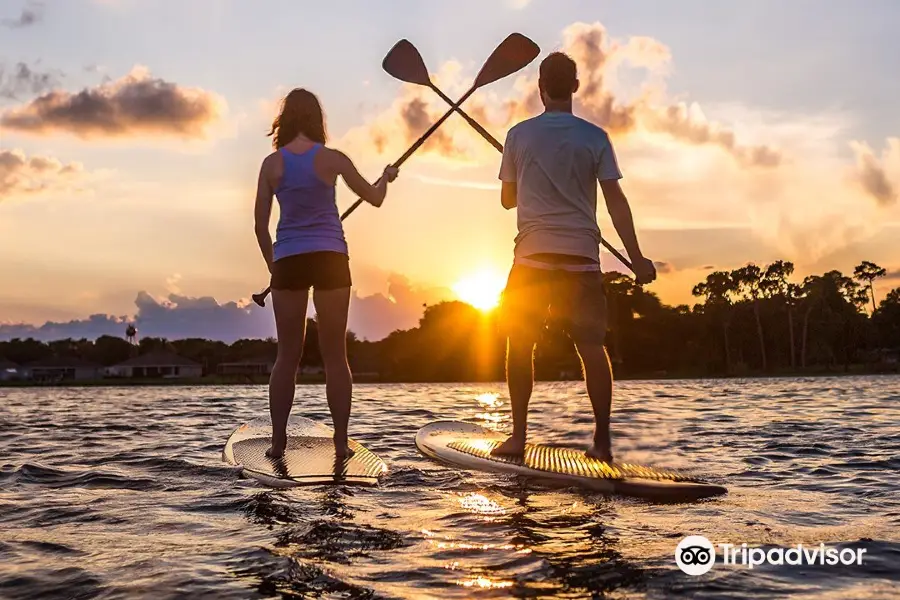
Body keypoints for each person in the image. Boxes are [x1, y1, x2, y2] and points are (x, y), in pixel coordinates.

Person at [494, 52, 657, 463]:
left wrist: (523, 174)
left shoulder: (518, 136)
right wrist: (637, 259)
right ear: (576, 87)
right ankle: (602, 442)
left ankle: (517, 437)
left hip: (532, 259)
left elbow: (506, 201)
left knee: (520, 343)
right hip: (582, 258)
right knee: (591, 346)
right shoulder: (595, 137)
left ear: (540, 87)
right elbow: (616, 201)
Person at [253, 88, 398, 460]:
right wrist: (385, 177)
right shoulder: (333, 159)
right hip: (331, 256)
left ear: (284, 121)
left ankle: (278, 442)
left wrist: (276, 266)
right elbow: (376, 197)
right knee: (336, 356)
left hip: (289, 259)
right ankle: (340, 443)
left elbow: (259, 227)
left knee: (288, 356)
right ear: (318, 120)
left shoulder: (272, 165)